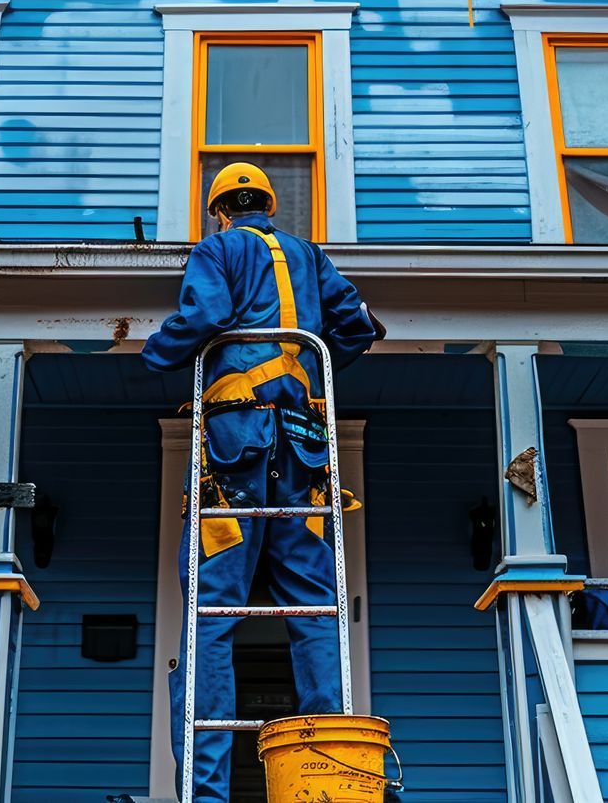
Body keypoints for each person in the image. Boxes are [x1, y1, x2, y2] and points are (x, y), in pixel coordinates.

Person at [142, 161, 381, 802]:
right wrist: (309, 355)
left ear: (220, 208)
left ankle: (207, 792)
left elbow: (205, 314)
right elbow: (358, 326)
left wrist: (156, 355)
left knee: (213, 610)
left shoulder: (217, 248)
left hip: (235, 445)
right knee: (312, 602)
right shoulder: (309, 254)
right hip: (301, 447)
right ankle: (330, 774)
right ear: (270, 205)